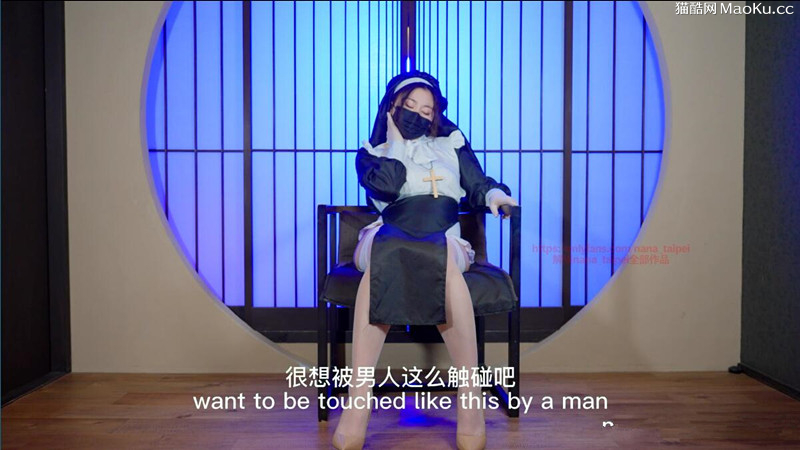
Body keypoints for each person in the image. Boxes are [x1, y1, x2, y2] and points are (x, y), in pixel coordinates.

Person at [331, 71, 519, 450]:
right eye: (409, 106)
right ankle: (358, 400)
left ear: (436, 115)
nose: (417, 114)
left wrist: (496, 197)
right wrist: (397, 144)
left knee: (443, 258)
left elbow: (477, 184)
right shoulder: (372, 153)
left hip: (443, 235)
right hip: (387, 232)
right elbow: (387, 187)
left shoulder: (451, 145)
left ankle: (469, 397)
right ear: (392, 107)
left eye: (427, 110)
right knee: (385, 253)